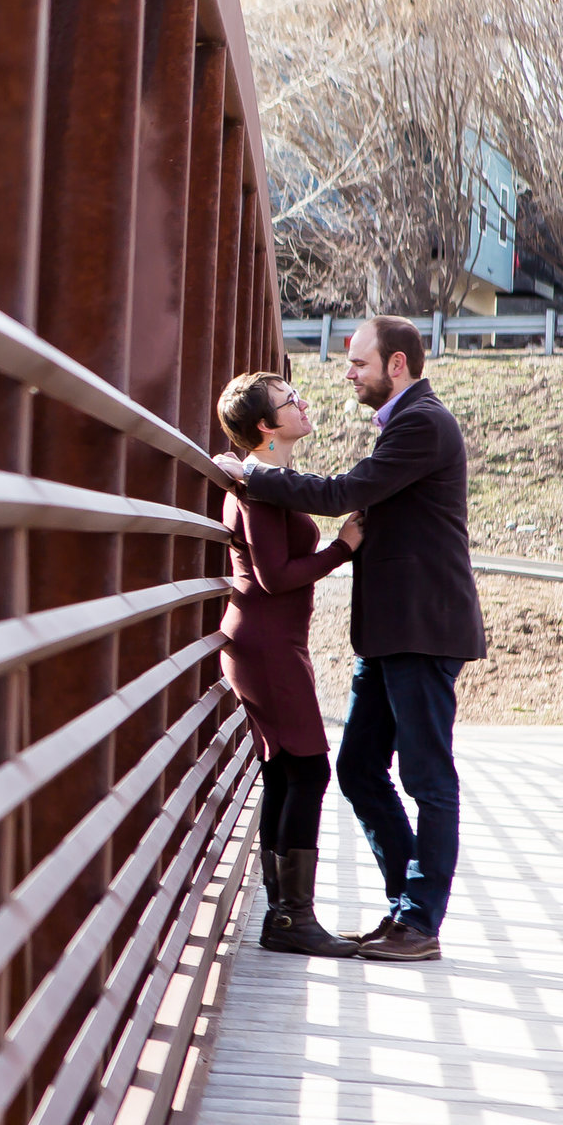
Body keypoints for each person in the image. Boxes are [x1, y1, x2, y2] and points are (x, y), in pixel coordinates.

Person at [213, 316, 486, 963]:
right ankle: (402, 908)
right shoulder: (401, 425)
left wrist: (251, 474)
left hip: (421, 630)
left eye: (358, 362)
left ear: (396, 364)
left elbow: (343, 493)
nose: (347, 372)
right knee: (359, 768)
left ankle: (419, 920)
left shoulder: (423, 422)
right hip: (388, 634)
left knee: (426, 776)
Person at [215, 371, 361, 958]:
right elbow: (274, 577)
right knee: (308, 769)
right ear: (264, 428)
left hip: (272, 641)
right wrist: (342, 548)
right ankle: (290, 918)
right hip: (268, 643)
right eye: (287, 402)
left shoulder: (266, 479)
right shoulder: (259, 487)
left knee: (287, 770)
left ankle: (284, 918)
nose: (302, 404)